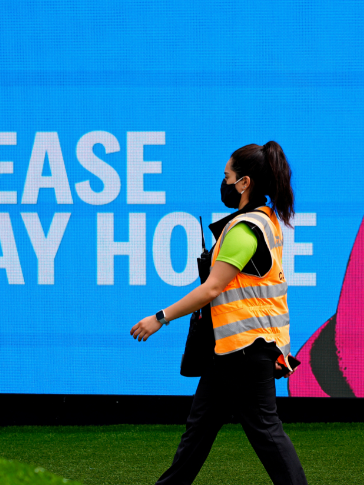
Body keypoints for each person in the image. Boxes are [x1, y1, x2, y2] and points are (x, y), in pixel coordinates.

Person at [130, 141, 308, 485]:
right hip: (230, 352)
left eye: (227, 176)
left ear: (244, 183)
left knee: (267, 435)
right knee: (197, 434)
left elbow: (211, 289)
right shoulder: (266, 221)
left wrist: (159, 318)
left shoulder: (244, 229)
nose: (223, 182)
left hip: (245, 351)